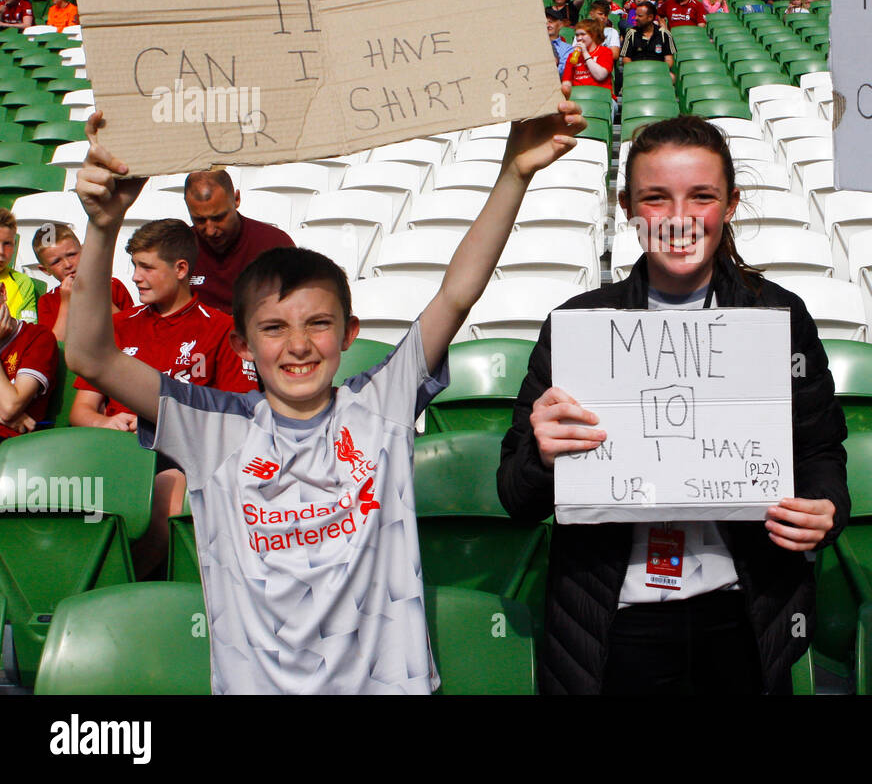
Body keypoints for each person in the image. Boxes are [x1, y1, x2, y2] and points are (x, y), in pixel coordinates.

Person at [67, 105, 585, 693]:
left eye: (317, 324)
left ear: (348, 333)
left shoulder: (380, 406)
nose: (298, 346)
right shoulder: (208, 427)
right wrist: (102, 226)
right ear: (240, 343)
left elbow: (456, 295)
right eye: (273, 328)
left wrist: (513, 174)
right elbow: (89, 357)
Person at [498, 115, 849, 695]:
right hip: (611, 630)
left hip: (743, 620)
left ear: (731, 204)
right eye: (656, 198)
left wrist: (826, 509)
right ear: (627, 207)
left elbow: (819, 452)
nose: (680, 218)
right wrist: (542, 456)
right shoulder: (578, 326)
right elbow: (514, 495)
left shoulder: (779, 321)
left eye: (702, 196)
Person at [69, 216, 259, 578]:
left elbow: (236, 422)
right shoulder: (118, 326)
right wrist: (105, 421)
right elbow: (81, 411)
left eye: (146, 267)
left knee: (167, 490)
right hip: (112, 457)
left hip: (179, 460)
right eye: (134, 266)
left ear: (181, 269)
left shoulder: (222, 330)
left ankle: (112, 590)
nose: (136, 277)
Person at [183, 169, 295, 316]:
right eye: (199, 220)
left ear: (236, 199)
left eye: (219, 218)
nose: (210, 230)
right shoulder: (180, 248)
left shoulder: (275, 244)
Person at [33, 222, 134, 342]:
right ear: (45, 270)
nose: (68, 264)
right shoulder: (47, 301)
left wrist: (96, 295)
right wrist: (66, 302)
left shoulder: (112, 285)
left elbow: (130, 330)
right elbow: (55, 345)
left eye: (71, 254)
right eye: (56, 262)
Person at [0, 286, 57, 440]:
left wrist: (5, 413)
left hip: (13, 443)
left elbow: (10, 408)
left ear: (3, 293)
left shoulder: (37, 337)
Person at [0, 209, 38, 325]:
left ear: (15, 245)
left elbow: (28, 334)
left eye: (7, 244)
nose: (1, 251)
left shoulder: (22, 283)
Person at [621, 2, 676, 81]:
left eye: (639, 16)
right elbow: (626, 59)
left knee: (672, 77)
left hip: (658, 72)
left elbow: (669, 60)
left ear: (650, 17)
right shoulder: (631, 33)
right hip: (636, 72)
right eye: (636, 15)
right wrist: (639, 71)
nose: (635, 18)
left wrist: (655, 70)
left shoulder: (665, 34)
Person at [560, 19, 614, 99]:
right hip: (578, 97)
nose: (579, 38)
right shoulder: (572, 56)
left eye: (582, 34)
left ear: (593, 35)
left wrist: (585, 53)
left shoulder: (605, 52)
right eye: (577, 35)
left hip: (601, 97)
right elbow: (566, 82)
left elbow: (600, 76)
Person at [547, 12, 576, 76]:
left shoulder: (568, 48)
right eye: (545, 22)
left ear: (561, 24)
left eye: (551, 22)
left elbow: (564, 71)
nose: (547, 25)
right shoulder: (534, 45)